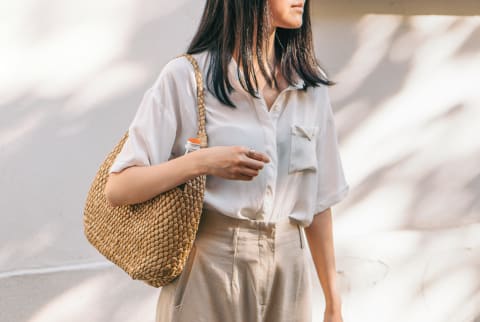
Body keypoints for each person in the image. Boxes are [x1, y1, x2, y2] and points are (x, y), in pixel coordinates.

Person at [105, 0, 349, 321]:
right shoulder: (186, 78)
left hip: (290, 268)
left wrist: (334, 303)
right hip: (210, 265)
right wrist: (202, 162)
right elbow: (119, 187)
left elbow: (319, 203)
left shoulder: (309, 85)